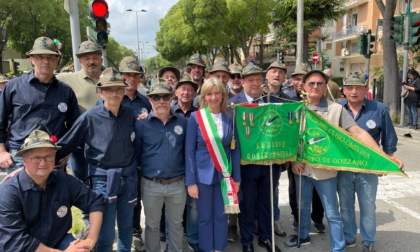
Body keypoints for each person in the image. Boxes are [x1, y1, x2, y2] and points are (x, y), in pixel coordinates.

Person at [285, 70, 403, 252]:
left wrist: (383, 156)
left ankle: (339, 247)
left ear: (326, 87)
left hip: (326, 171)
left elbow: (358, 133)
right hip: (301, 169)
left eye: (320, 84)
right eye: (311, 83)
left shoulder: (336, 109)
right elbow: (289, 139)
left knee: (333, 213)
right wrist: (293, 161)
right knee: (301, 208)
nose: (315, 87)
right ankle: (302, 236)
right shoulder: (295, 108)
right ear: (304, 86)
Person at [56, 67, 138, 252]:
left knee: (126, 228)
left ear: (124, 91)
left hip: (128, 178)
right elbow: (67, 143)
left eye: (118, 89)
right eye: (109, 89)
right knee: (105, 231)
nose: (114, 93)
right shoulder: (90, 117)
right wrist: (40, 159)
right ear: (100, 92)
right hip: (103, 181)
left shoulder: (130, 114)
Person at [0, 129, 105, 251]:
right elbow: (16, 242)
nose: (43, 163)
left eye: (49, 157)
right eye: (36, 158)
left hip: (57, 241)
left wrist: (90, 240)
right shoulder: (8, 193)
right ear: (24, 160)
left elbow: (95, 202)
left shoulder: (63, 179)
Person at [0, 36, 80, 174]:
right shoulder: (13, 87)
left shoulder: (66, 92)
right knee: (21, 195)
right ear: (32, 59)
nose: (45, 61)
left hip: (53, 155)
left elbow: (74, 127)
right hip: (20, 155)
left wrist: (67, 152)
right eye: (40, 57)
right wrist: (1, 152)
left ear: (57, 60)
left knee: (54, 196)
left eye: (50, 57)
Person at [337, 74, 399, 252]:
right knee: (346, 206)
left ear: (366, 90)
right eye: (349, 87)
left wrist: (384, 162)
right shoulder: (337, 109)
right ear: (344, 90)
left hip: (368, 169)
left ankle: (368, 240)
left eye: (358, 88)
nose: (354, 91)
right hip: (344, 167)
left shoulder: (378, 109)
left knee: (368, 206)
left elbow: (389, 140)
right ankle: (349, 237)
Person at [228, 62, 283, 252]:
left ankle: (266, 238)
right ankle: (247, 241)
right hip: (246, 164)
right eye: (251, 80)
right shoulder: (233, 104)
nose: (255, 83)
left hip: (269, 164)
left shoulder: (273, 101)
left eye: (259, 79)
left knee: (267, 202)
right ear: (242, 82)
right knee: (247, 205)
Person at [185, 77, 241, 252]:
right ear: (204, 96)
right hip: (202, 176)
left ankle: (219, 248)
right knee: (204, 217)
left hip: (224, 174)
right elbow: (189, 152)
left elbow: (235, 148)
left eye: (217, 93)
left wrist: (236, 178)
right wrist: (191, 182)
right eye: (210, 94)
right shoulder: (196, 117)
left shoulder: (231, 115)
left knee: (221, 215)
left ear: (223, 95)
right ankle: (207, 248)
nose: (214, 97)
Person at [135, 79, 188, 252]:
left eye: (165, 97)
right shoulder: (141, 125)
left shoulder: (183, 122)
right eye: (156, 97)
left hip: (177, 184)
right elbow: (137, 154)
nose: (161, 101)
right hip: (151, 184)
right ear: (150, 100)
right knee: (151, 226)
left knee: (176, 225)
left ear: (172, 98)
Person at [56, 40, 103, 184]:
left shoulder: (110, 78)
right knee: (82, 185)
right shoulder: (65, 79)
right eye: (87, 58)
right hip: (80, 146)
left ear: (101, 58)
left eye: (95, 57)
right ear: (80, 60)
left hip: (107, 145)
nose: (91, 61)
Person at [287, 64, 326, 233]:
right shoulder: (287, 100)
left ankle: (317, 218)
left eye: (301, 78)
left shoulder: (320, 99)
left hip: (317, 154)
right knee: (295, 190)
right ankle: (298, 219)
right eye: (296, 77)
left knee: (318, 191)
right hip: (295, 155)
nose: (298, 81)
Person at [118, 56, 152, 251]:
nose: (131, 78)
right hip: (117, 160)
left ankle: (135, 231)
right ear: (121, 76)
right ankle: (121, 233)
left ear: (139, 78)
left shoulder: (146, 101)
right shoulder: (113, 98)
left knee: (135, 198)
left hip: (138, 161)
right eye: (127, 74)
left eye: (134, 75)